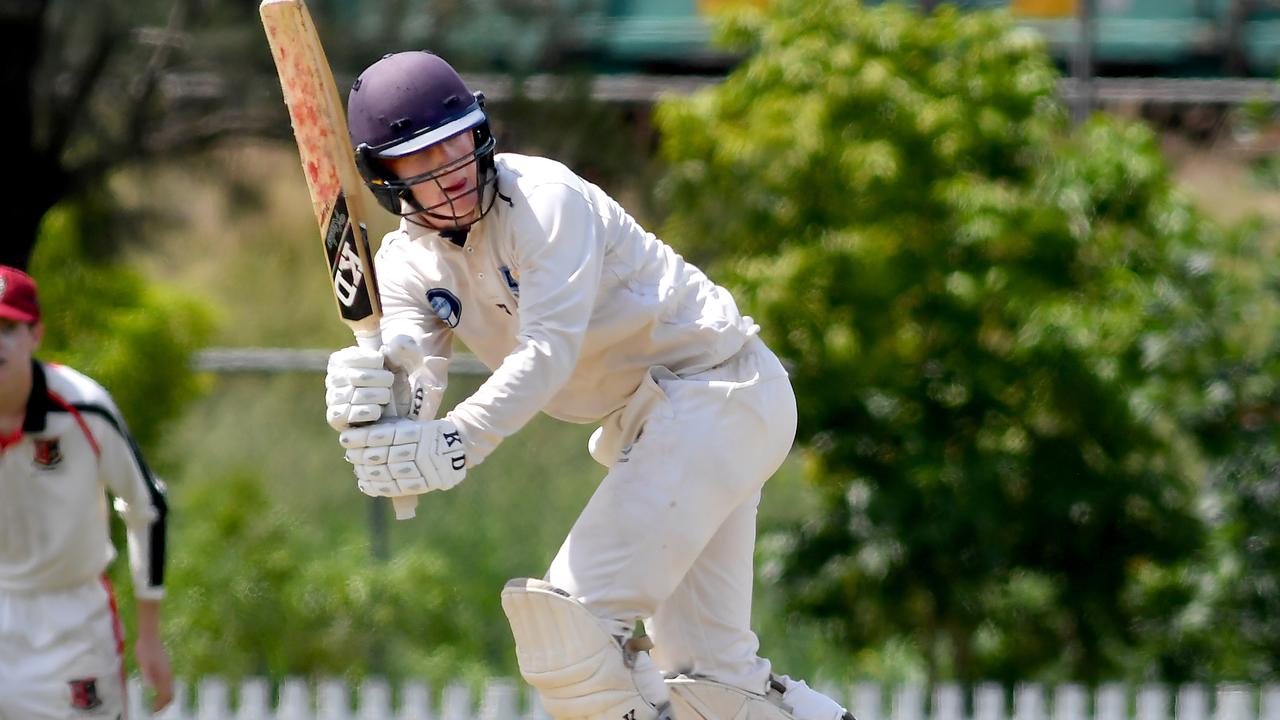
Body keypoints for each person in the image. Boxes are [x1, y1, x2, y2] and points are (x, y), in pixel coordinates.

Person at [323, 51, 853, 720]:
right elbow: (416, 385)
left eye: (455, 146)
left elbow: (547, 350)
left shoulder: (545, 203)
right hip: (665, 426)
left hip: (719, 390)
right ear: (388, 178)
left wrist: (458, 441)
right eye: (422, 165)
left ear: (481, 133)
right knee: (716, 688)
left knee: (568, 635)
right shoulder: (405, 265)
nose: (450, 174)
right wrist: (380, 408)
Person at [0, 266, 173, 718]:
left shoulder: (84, 405)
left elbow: (147, 504)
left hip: (74, 623)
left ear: (35, 334)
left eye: (8, 328)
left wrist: (150, 635)